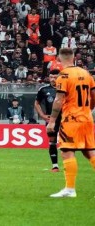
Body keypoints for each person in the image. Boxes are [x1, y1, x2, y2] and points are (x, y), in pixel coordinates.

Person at [48, 48, 95, 198]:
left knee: (67, 151)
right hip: (87, 119)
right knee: (89, 152)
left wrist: (52, 121)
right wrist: (88, 110)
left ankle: (70, 189)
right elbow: (94, 95)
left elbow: (58, 100)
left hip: (71, 120)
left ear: (59, 59)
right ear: (74, 57)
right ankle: (69, 189)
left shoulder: (63, 76)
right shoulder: (85, 73)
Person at [35, 73, 60, 172]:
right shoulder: (44, 89)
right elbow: (36, 103)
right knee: (52, 142)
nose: (53, 79)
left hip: (65, 119)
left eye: (55, 77)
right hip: (51, 120)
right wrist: (42, 115)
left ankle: (69, 165)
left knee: (68, 143)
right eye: (51, 77)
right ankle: (55, 166)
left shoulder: (66, 88)